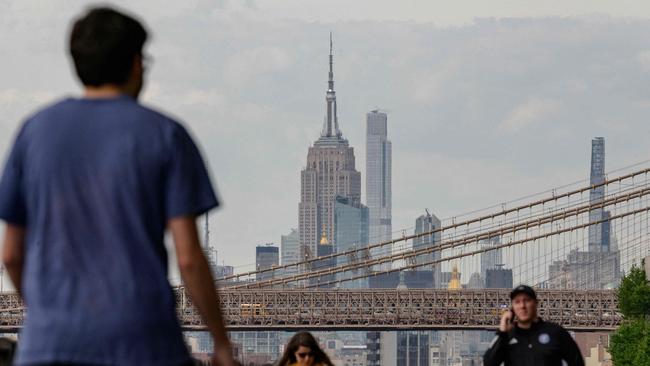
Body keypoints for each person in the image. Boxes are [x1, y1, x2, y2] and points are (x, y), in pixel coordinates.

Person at [0, 6, 235, 366]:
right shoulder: (165, 134)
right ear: (136, 63)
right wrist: (220, 342)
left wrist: (50, 314)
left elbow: (11, 254)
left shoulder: (33, 132)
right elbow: (188, 258)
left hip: (48, 344)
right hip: (143, 342)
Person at [483, 285, 585, 366]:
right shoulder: (506, 336)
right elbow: (489, 363)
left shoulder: (556, 332)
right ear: (512, 308)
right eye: (517, 302)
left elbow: (577, 362)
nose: (522, 306)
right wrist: (502, 332)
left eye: (527, 300)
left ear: (536, 303)